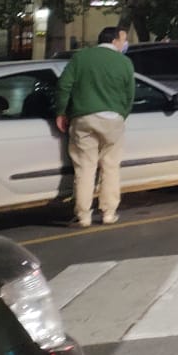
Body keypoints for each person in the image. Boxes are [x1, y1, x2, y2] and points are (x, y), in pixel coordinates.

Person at [55, 25, 135, 227]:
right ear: (115, 40)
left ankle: (83, 215)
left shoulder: (81, 58)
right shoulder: (124, 62)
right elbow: (130, 94)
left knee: (85, 168)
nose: (124, 44)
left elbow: (64, 85)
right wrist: (122, 114)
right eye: (123, 40)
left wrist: (61, 112)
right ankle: (108, 212)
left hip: (84, 118)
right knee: (110, 166)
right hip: (113, 120)